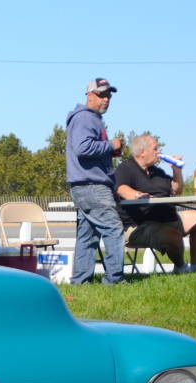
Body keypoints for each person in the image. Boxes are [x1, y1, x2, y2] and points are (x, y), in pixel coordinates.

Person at [114, 135, 196, 272]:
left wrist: (176, 170)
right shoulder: (126, 168)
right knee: (172, 236)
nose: (159, 152)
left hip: (169, 218)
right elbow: (120, 188)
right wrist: (137, 195)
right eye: (155, 149)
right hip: (140, 226)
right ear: (142, 151)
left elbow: (177, 190)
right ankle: (181, 267)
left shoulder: (157, 171)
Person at [66, 78, 125, 284]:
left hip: (83, 185)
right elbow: (82, 148)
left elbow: (85, 149)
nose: (106, 100)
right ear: (89, 95)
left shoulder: (87, 118)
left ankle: (80, 281)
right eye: (101, 95)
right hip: (92, 186)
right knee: (113, 228)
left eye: (108, 96)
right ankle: (114, 280)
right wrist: (110, 145)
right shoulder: (86, 118)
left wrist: (108, 152)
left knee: (88, 235)